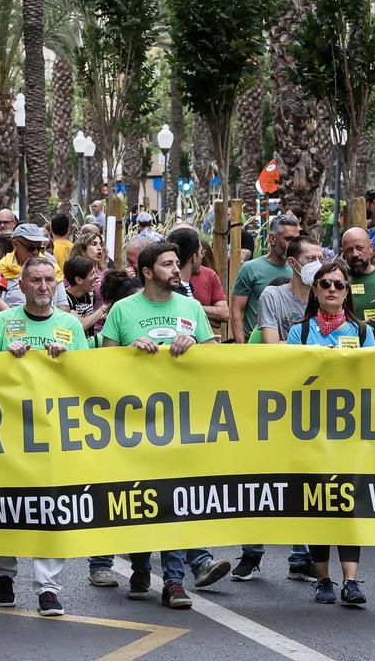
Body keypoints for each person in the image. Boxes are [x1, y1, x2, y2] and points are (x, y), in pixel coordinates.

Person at [95, 241, 230, 607]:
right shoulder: (123, 310)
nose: (176, 270)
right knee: (142, 498)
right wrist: (128, 352)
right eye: (168, 264)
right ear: (147, 272)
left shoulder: (190, 307)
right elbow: (101, 365)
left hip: (181, 422)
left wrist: (197, 345)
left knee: (175, 499)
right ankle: (140, 565)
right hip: (136, 423)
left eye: (177, 264)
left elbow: (215, 359)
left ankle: (173, 582)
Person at [0, 257, 87, 616]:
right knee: (6, 508)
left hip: (53, 434)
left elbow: (90, 378)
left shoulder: (71, 326)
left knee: (52, 509)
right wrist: (1, 358)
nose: (43, 287)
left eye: (49, 280)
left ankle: (48, 589)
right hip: (7, 434)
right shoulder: (1, 322)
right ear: (21, 286)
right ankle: (4, 575)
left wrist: (68, 359)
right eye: (36, 281)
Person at [231, 235, 322, 581]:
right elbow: (272, 345)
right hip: (274, 400)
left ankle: (302, 557)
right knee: (263, 477)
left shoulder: (326, 294)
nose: (318, 262)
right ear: (295, 262)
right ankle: (252, 552)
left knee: (306, 479)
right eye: (311, 257)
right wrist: (316, 351)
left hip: (310, 404)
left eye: (321, 255)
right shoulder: (274, 295)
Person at [284, 260, 373, 605]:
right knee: (316, 504)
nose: (332, 289)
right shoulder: (300, 332)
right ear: (315, 291)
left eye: (338, 284)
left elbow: (372, 377)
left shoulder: (363, 332)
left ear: (347, 291)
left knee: (348, 505)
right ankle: (323, 580)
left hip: (350, 433)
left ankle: (351, 580)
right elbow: (290, 375)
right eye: (325, 284)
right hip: (311, 432)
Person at [231, 214, 300, 343]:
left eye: (296, 240)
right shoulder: (250, 269)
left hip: (291, 347)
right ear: (272, 239)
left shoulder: (299, 270)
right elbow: (236, 311)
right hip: (256, 346)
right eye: (289, 239)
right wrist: (242, 346)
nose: (294, 245)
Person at [167, 227, 228, 329]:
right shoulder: (172, 288)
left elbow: (223, 316)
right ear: (194, 257)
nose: (202, 256)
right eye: (201, 252)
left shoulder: (187, 286)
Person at [0, 223, 66, 307]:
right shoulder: (1, 270)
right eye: (31, 248)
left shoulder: (53, 268)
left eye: (39, 248)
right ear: (15, 244)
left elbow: (63, 305)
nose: (36, 252)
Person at [62, 254, 107, 338]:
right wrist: (105, 307)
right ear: (79, 280)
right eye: (92, 274)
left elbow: (89, 317)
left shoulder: (89, 293)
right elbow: (81, 325)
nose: (97, 277)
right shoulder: (64, 300)